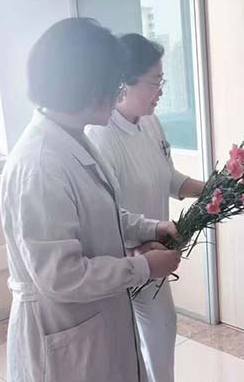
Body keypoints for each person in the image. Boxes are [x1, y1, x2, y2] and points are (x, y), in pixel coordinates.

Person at [0, 18, 182, 382]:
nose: (118, 92)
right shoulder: (40, 165)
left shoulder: (74, 139)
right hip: (64, 336)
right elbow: (61, 276)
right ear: (84, 84)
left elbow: (103, 213)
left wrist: (150, 228)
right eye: (114, 82)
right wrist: (143, 268)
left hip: (97, 321)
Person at [86, 33, 204, 382]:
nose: (161, 91)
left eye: (162, 81)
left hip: (153, 257)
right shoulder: (100, 136)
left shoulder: (150, 122)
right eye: (155, 82)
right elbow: (103, 214)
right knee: (127, 352)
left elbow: (168, 177)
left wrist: (217, 189)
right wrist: (138, 248)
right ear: (125, 82)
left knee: (162, 333)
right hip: (122, 262)